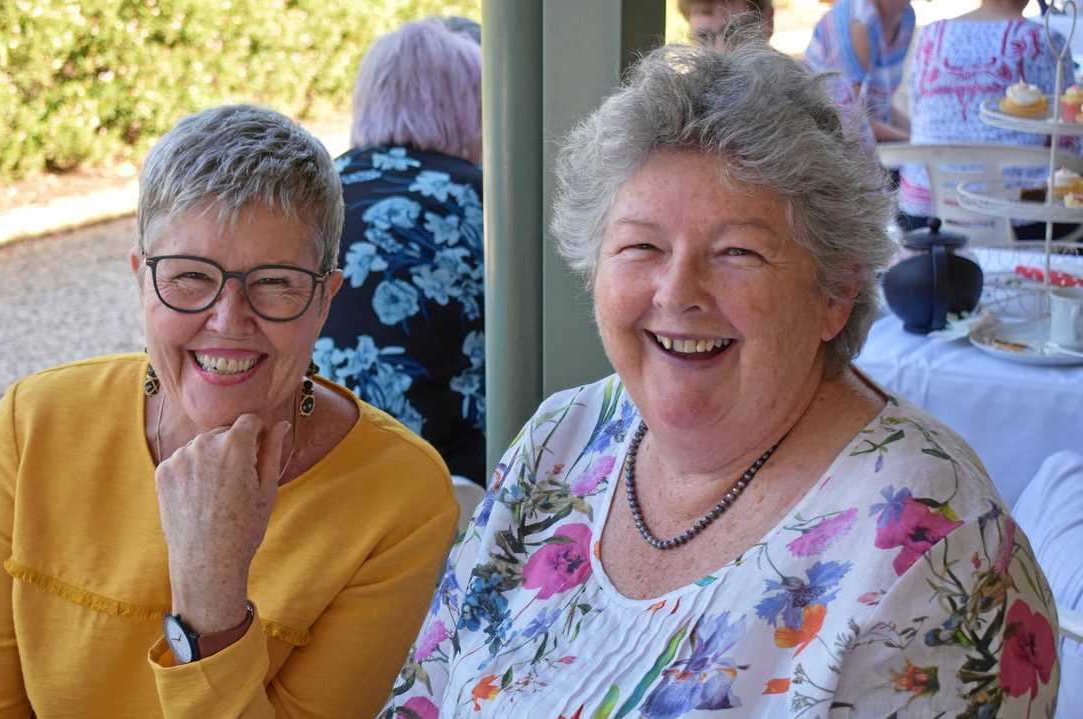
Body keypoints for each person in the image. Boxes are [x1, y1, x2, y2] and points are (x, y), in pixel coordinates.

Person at [380, 43, 1060, 718]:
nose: (677, 292)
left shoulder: (937, 549)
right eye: (641, 245)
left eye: (737, 251)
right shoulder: (562, 441)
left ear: (835, 292)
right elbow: (425, 693)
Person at [0, 105, 459, 717]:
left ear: (324, 300)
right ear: (140, 280)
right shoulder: (36, 423)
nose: (228, 321)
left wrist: (212, 602)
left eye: (275, 282)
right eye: (190, 277)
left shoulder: (398, 497)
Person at [314, 19, 486, 484]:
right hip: (445, 480)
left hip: (312, 464)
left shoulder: (314, 189)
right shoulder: (486, 203)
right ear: (469, 107)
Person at [899, 0, 1074, 240]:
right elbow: (1069, 136)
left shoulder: (931, 34)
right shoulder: (1041, 40)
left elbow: (917, 113)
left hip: (925, 214)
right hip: (1023, 219)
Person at [676, 0, 875, 149]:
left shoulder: (828, 93)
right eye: (704, 37)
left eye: (735, 31)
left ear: (768, 21)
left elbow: (865, 188)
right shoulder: (685, 104)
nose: (721, 52)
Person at [806, 0, 915, 142]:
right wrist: (915, 141)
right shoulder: (860, 21)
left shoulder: (906, 16)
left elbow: (881, 108)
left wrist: (920, 136)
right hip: (829, 145)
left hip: (871, 141)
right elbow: (851, 123)